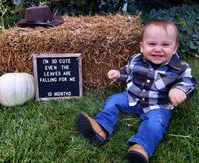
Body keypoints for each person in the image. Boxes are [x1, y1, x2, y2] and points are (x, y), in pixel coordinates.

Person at [75, 19, 197, 163]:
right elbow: (128, 71)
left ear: (175, 48)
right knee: (113, 101)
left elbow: (189, 83)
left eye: (165, 44)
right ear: (142, 46)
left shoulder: (181, 68)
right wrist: (118, 74)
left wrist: (179, 90)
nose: (158, 49)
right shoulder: (136, 59)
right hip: (131, 97)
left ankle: (141, 147)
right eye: (152, 44)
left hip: (158, 105)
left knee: (155, 123)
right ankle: (101, 127)